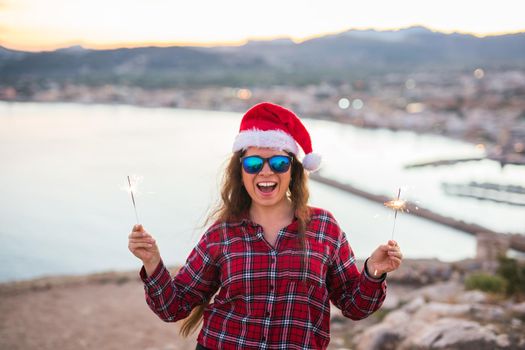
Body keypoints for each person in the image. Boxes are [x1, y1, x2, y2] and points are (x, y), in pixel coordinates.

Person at [128, 102, 403, 350]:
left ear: (293, 170)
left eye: (280, 162)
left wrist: (374, 270)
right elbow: (173, 307)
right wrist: (152, 262)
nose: (266, 171)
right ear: (241, 170)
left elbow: (354, 307)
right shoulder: (221, 233)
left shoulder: (323, 227)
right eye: (253, 163)